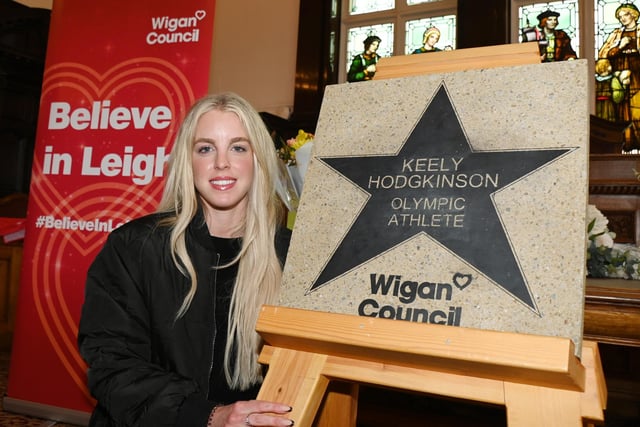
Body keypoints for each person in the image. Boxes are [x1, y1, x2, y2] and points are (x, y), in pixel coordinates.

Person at [78, 92, 295, 427]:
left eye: (238, 147)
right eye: (205, 148)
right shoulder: (135, 247)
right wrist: (208, 416)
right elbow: (113, 364)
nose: (221, 162)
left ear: (258, 159)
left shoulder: (291, 255)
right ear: (187, 160)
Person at [598, 3, 640, 131]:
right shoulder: (616, 34)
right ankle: (625, 140)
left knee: (637, 105)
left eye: (626, 14)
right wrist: (620, 46)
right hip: (619, 71)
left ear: (633, 15)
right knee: (622, 107)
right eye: (620, 16)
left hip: (637, 72)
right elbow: (605, 54)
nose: (623, 18)